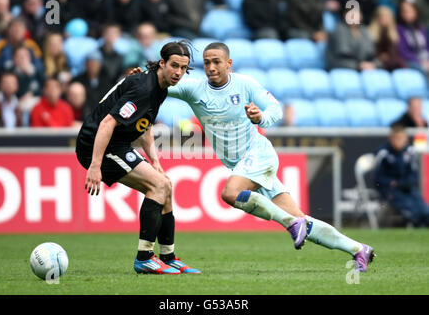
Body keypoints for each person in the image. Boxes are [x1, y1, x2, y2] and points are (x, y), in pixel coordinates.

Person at [132, 42, 376, 272]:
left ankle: (291, 224)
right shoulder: (194, 89)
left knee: (230, 193)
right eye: (206, 62)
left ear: (229, 63)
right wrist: (140, 76)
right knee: (303, 218)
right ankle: (359, 249)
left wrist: (260, 118)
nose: (211, 67)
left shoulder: (245, 84)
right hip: (243, 164)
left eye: (217, 61)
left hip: (259, 154)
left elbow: (275, 110)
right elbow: (160, 81)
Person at [75, 40, 200, 275]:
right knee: (158, 186)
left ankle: (168, 256)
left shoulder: (158, 85)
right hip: (97, 143)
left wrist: (155, 162)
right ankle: (144, 257)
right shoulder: (144, 88)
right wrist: (95, 164)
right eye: (174, 66)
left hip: (118, 142)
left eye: (183, 68)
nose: (178, 73)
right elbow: (107, 122)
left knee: (166, 186)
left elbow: (144, 126)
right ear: (162, 63)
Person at [374, 124, 429, 227]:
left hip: (407, 188)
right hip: (391, 191)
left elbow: (413, 176)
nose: (398, 141)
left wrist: (403, 183)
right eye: (396, 138)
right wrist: (390, 183)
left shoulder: (409, 152)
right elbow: (378, 179)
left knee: (425, 210)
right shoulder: (384, 153)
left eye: (401, 138)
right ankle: (419, 226)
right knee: (411, 210)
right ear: (390, 139)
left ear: (406, 139)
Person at [326, 7, 381, 71]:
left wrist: (373, 64)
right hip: (342, 67)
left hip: (362, 67)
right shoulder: (339, 30)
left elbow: (371, 53)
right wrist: (359, 65)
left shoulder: (364, 30)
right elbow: (343, 54)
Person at [396, 0, 429, 78]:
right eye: (404, 11)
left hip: (426, 58)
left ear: (415, 12)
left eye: (409, 11)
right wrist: (420, 62)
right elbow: (402, 50)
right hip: (411, 61)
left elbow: (427, 46)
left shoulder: (421, 28)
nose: (406, 14)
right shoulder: (399, 29)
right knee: (424, 69)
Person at [368, 5, 407, 71]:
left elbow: (396, 50)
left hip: (392, 60)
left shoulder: (394, 32)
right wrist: (380, 56)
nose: (384, 19)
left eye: (386, 16)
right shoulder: (370, 32)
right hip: (377, 60)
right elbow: (370, 51)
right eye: (382, 16)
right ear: (377, 18)